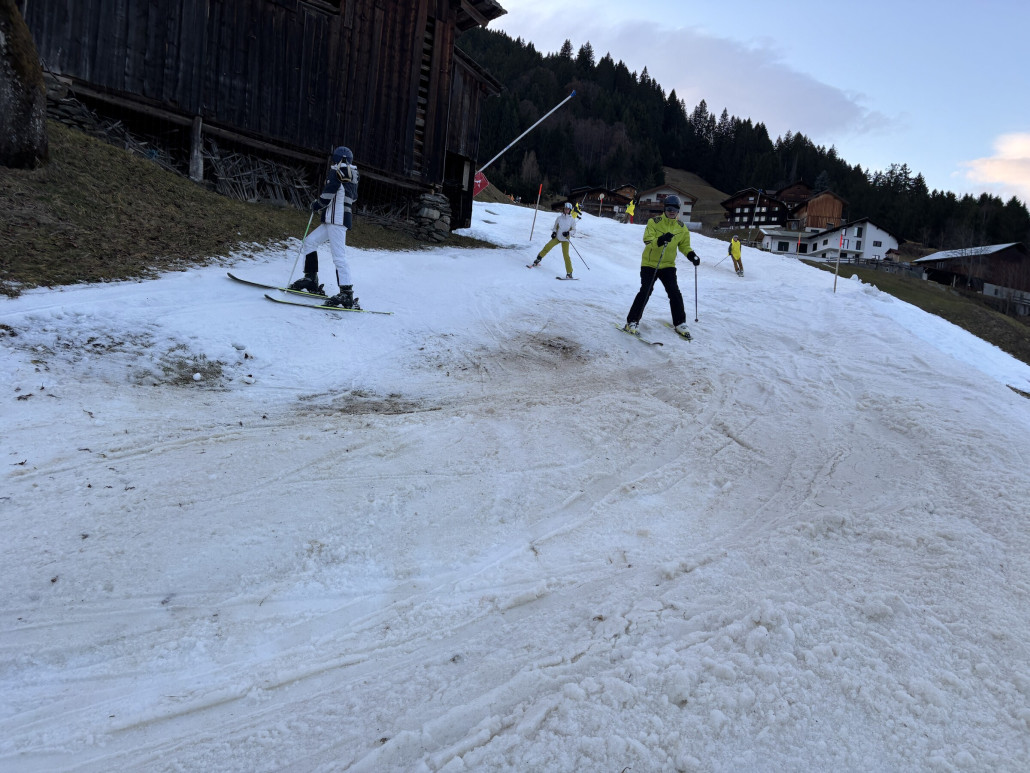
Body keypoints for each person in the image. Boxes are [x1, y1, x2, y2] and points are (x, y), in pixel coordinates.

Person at [289, 146, 361, 308]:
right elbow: (354, 197)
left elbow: (329, 193)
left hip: (337, 219)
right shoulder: (354, 173)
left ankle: (346, 294)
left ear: (336, 158)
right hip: (333, 219)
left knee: (339, 256)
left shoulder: (338, 170)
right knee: (310, 242)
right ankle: (311, 279)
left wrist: (317, 204)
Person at [624, 195, 699, 337]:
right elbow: (647, 240)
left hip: (668, 266)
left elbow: (684, 246)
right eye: (669, 208)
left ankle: (680, 322)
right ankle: (632, 321)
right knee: (646, 291)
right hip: (650, 264)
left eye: (675, 209)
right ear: (665, 209)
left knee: (674, 292)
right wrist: (660, 240)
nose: (672, 211)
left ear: (678, 211)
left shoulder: (682, 228)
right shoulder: (654, 222)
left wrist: (691, 255)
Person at [530, 202, 577, 278]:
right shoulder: (559, 218)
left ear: (570, 210)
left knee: (566, 256)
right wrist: (554, 233)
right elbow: (555, 227)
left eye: (568, 209)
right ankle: (538, 259)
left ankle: (569, 272)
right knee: (547, 246)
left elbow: (574, 230)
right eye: (565, 209)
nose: (566, 210)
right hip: (557, 237)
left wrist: (568, 233)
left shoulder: (572, 220)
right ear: (563, 209)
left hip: (565, 240)